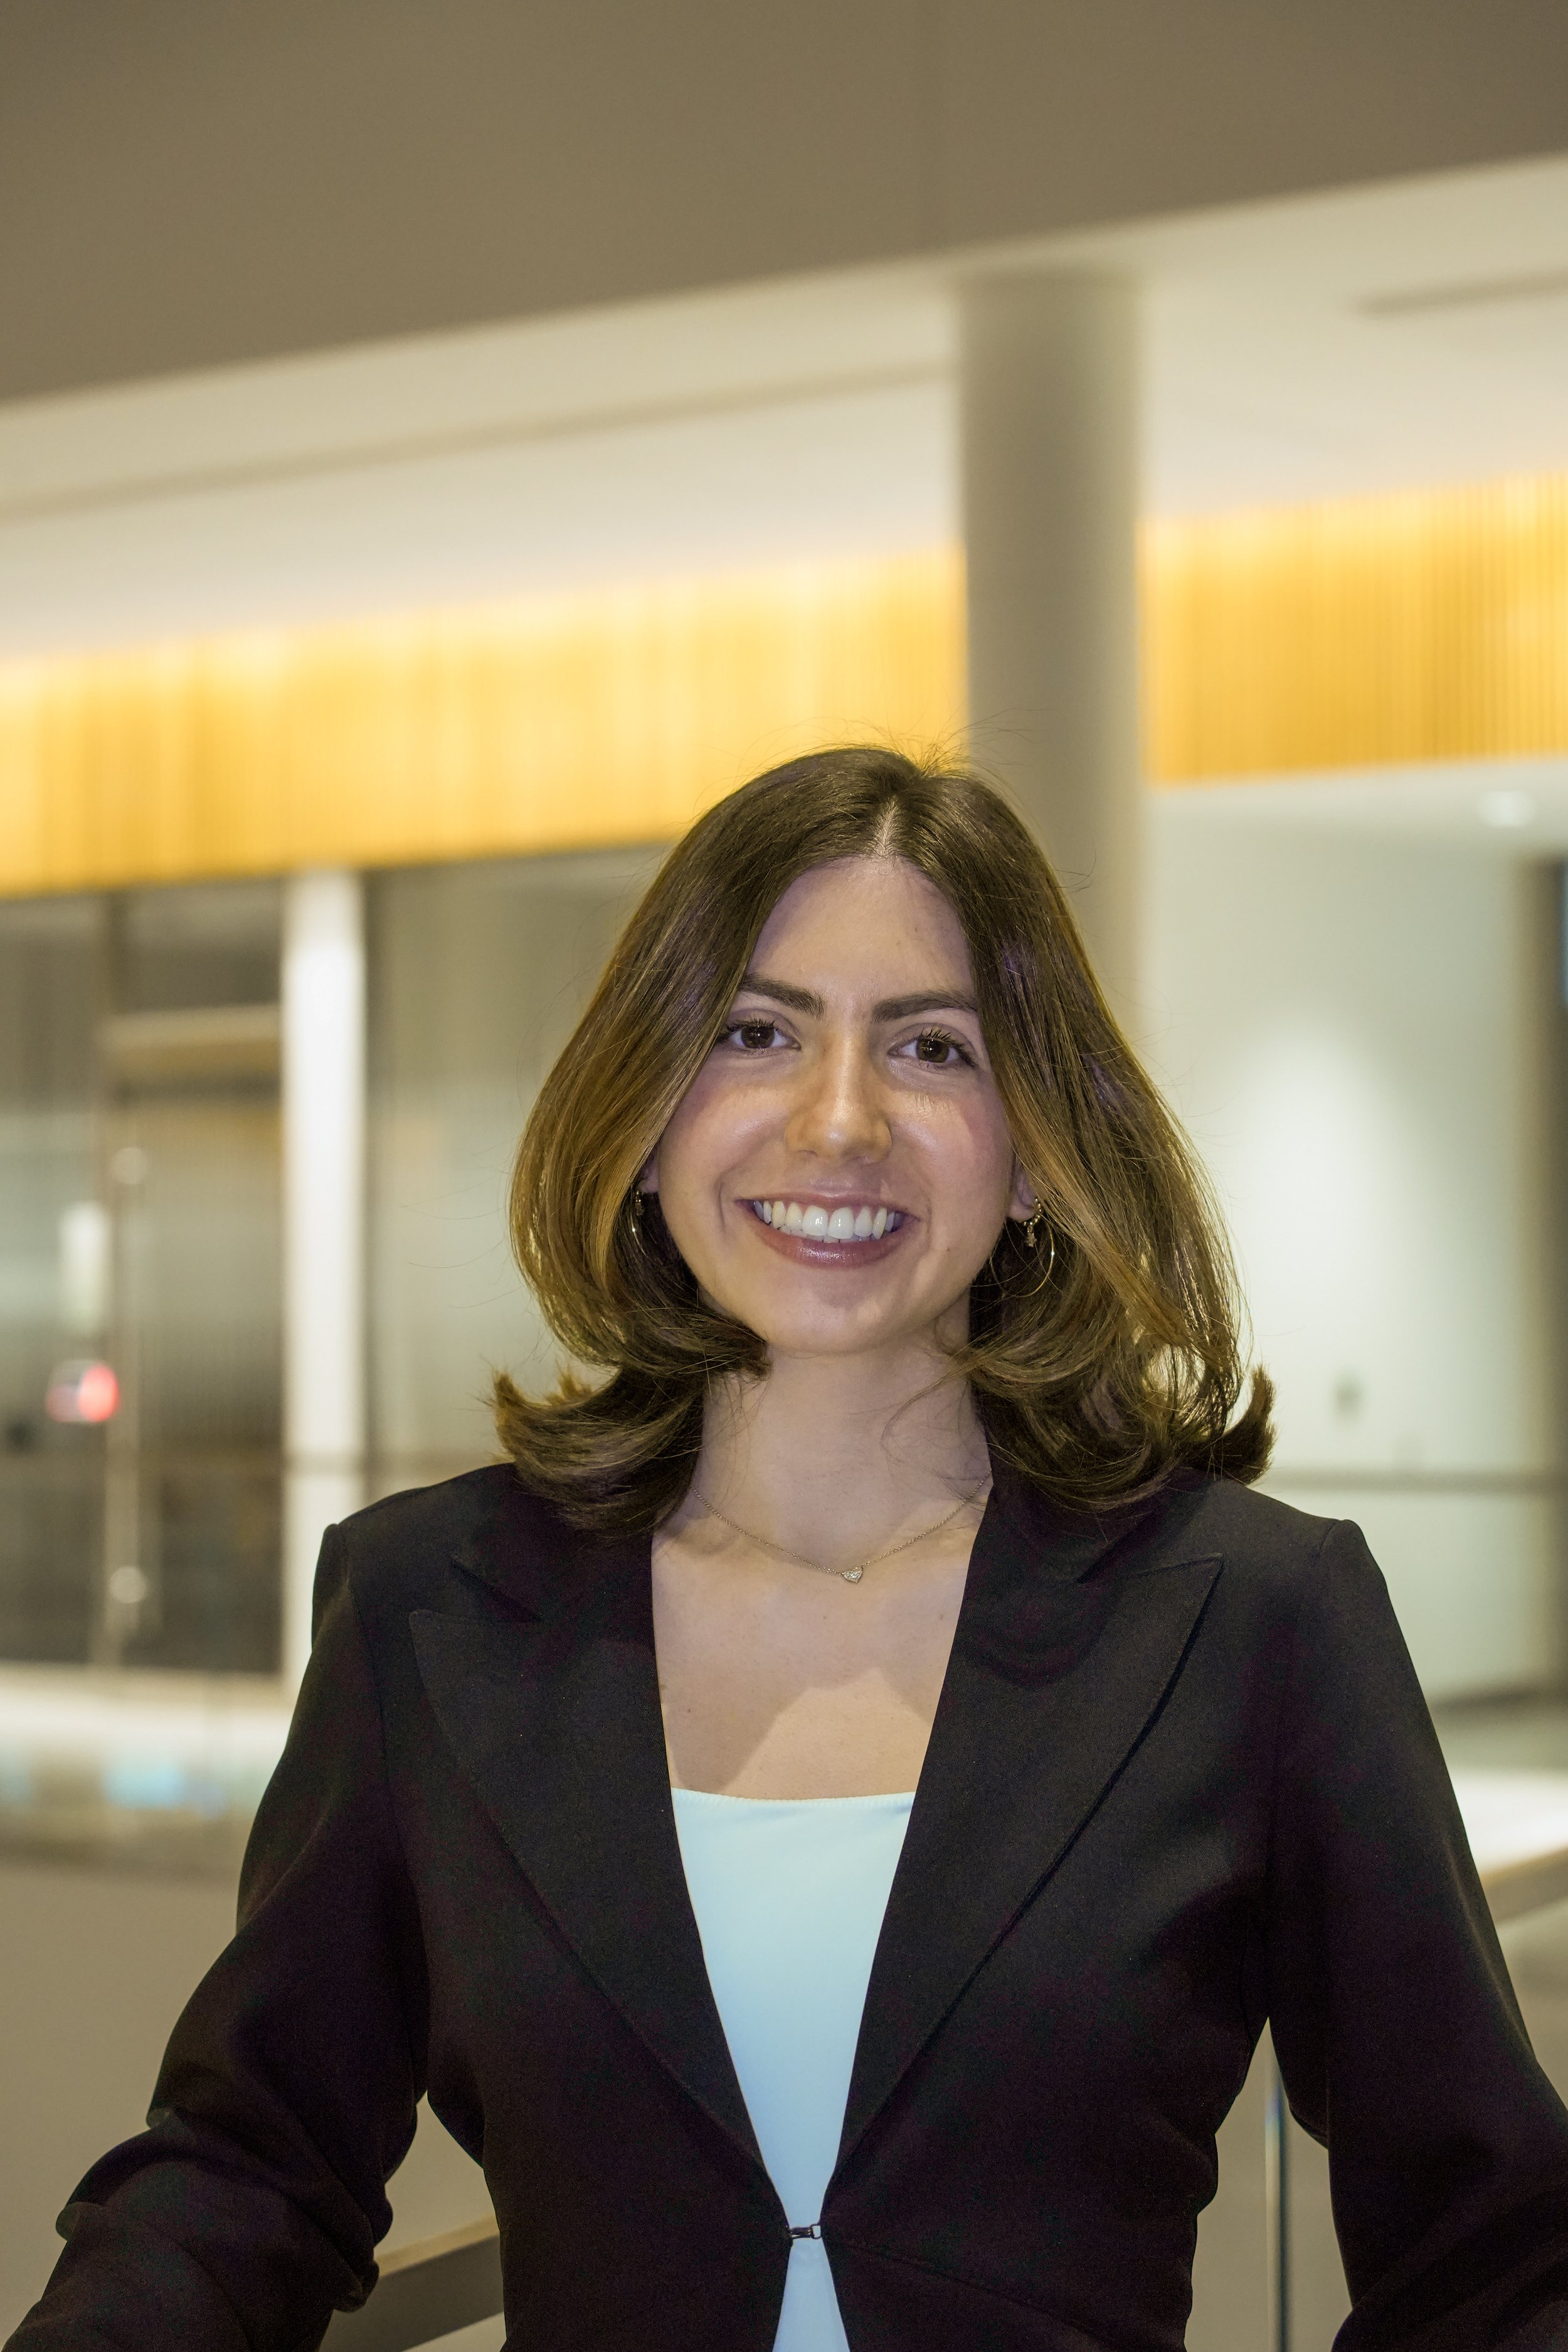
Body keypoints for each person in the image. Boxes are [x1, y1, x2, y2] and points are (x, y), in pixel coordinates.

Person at [11, 745, 1568, 2352]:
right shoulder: (433, 1611)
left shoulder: (1252, 1621)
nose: (839, 1121)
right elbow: (251, 2167)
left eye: (932, 1049)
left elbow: (1494, 2249)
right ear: (645, 1111)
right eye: (756, 1034)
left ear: (1033, 1149)